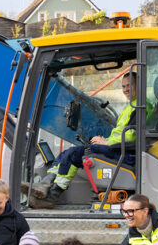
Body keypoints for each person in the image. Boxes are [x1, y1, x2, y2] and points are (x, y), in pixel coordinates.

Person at [32, 71, 139, 208]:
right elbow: (122, 133)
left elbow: (132, 135)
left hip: (124, 152)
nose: (126, 90)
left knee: (75, 154)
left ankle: (52, 195)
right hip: (117, 147)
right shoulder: (130, 106)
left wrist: (106, 143)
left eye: (129, 85)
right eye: (123, 86)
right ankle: (46, 183)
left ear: (139, 85)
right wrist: (104, 140)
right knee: (68, 152)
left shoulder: (140, 107)